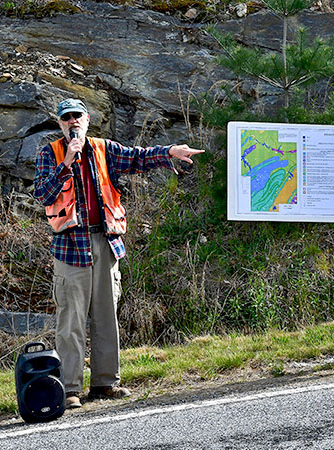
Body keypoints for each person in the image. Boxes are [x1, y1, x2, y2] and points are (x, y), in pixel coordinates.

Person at [34, 99, 203, 409]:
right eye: (66, 118)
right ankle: (70, 389)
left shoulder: (103, 148)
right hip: (70, 248)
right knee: (70, 322)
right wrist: (67, 164)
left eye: (77, 116)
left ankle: (105, 383)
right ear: (60, 124)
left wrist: (168, 153)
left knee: (106, 317)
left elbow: (138, 159)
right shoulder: (51, 153)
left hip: (105, 243)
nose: (72, 122)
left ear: (87, 119)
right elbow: (43, 193)